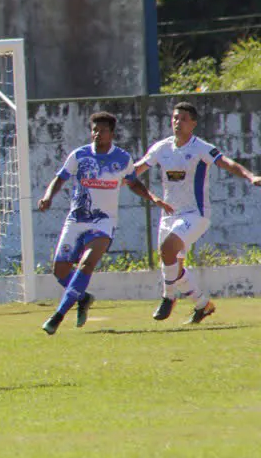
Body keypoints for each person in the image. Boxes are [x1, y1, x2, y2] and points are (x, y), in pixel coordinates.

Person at [38, 112, 172, 335]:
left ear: (112, 133)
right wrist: (48, 196)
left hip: (104, 222)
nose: (97, 134)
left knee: (86, 264)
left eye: (102, 130)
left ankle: (57, 316)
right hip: (76, 220)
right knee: (60, 270)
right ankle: (84, 297)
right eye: (94, 130)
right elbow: (60, 178)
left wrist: (153, 197)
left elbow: (133, 183)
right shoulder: (79, 155)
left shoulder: (121, 158)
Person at [133, 101, 261, 324]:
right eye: (174, 118)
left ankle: (168, 297)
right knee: (173, 265)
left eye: (183, 119)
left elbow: (226, 163)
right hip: (169, 214)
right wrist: (115, 178)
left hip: (195, 214)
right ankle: (203, 305)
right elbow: (138, 168)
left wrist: (250, 176)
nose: (177, 122)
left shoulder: (200, 147)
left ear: (193, 124)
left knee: (168, 250)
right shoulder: (161, 148)